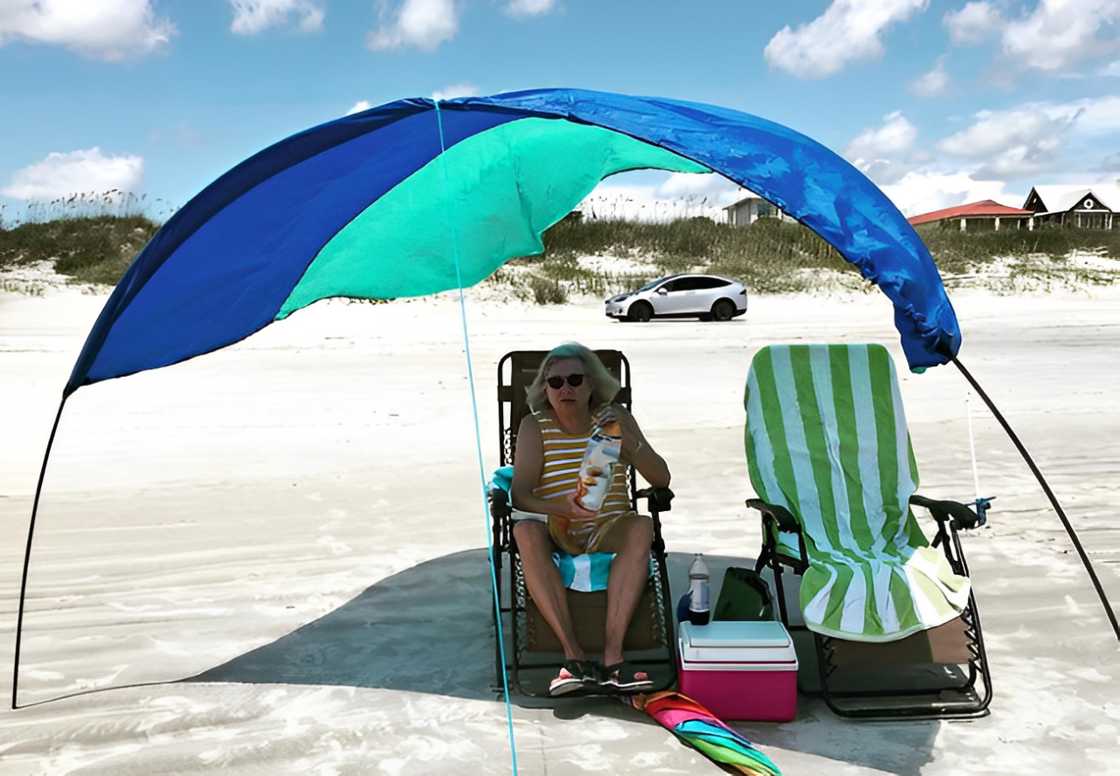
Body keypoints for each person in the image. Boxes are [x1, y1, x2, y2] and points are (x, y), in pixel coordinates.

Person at [510, 342, 671, 696]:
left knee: (642, 525)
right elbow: (520, 494)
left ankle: (614, 659)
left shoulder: (614, 419)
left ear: (591, 385)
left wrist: (632, 444)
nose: (565, 388)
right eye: (555, 382)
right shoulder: (535, 427)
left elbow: (661, 479)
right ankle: (574, 658)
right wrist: (562, 508)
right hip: (558, 526)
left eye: (574, 379)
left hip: (608, 527)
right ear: (544, 390)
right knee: (524, 530)